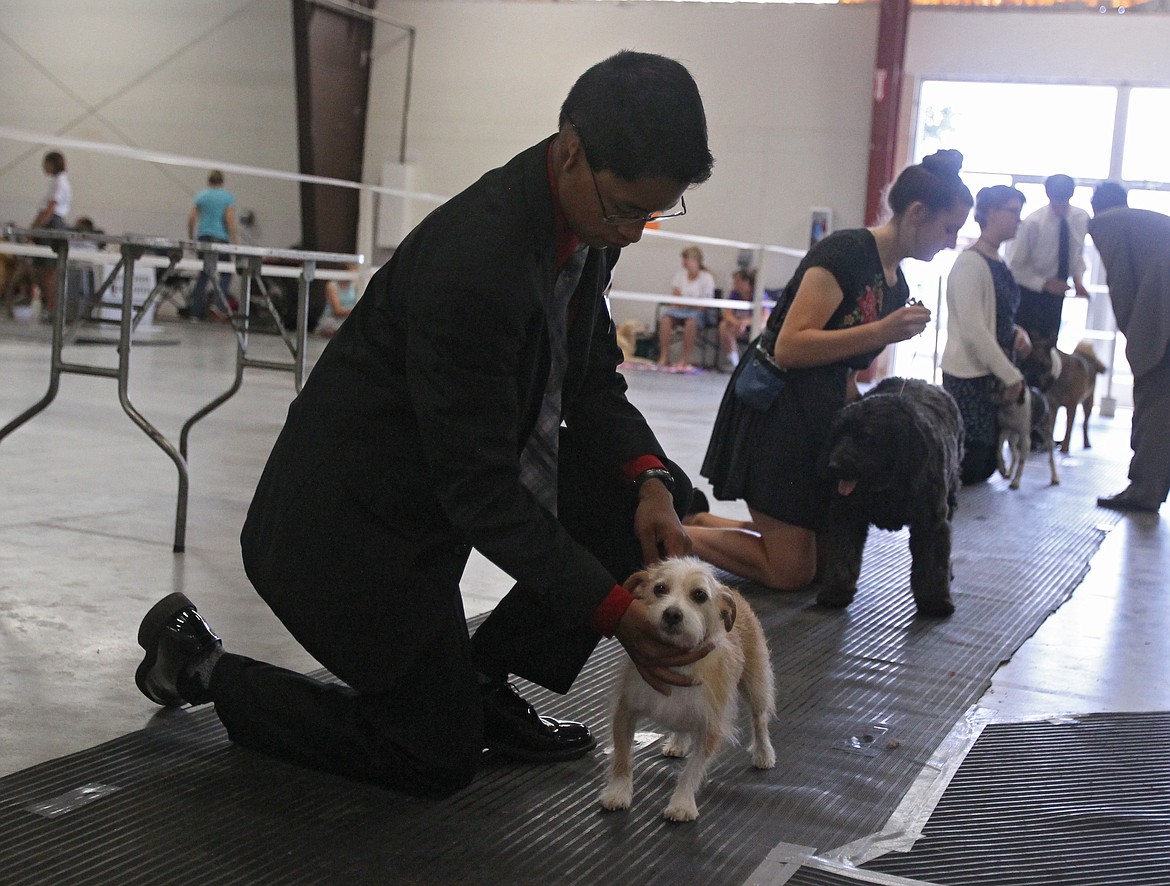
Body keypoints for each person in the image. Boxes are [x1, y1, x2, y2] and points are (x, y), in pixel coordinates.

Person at [134, 50, 715, 799]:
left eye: (655, 213)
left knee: (623, 504)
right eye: (627, 210)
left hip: (430, 496)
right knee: (434, 756)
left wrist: (651, 482)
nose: (636, 233)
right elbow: (479, 490)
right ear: (571, 152)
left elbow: (592, 379)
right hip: (346, 532)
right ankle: (201, 666)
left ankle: (478, 679)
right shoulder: (478, 263)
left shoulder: (582, 230)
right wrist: (612, 613)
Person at [687, 150, 973, 591]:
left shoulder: (897, 284)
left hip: (822, 421)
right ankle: (670, 535)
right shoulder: (845, 252)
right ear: (918, 213)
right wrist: (882, 330)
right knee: (792, 572)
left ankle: (696, 521)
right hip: (777, 415)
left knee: (820, 561)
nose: (951, 241)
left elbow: (848, 372)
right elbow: (790, 346)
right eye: (949, 228)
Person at [1087, 182, 1170, 514]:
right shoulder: (1145, 220)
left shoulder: (1107, 223)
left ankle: (1144, 490)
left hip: (1162, 321)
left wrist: (1135, 339)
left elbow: (1121, 286)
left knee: (1154, 404)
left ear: (1095, 207)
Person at [941, 185, 1033, 484]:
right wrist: (1012, 375)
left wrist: (1017, 331)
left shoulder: (997, 261)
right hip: (970, 378)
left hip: (990, 376)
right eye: (1014, 212)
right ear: (991, 213)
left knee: (984, 467)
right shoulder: (971, 263)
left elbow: (996, 317)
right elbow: (973, 330)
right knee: (972, 468)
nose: (1019, 220)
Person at [1009, 173, 1089, 347]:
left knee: (1050, 345)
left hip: (1059, 293)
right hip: (1030, 294)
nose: (1060, 206)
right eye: (1057, 201)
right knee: (1028, 348)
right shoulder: (1033, 223)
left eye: (1064, 200)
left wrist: (1078, 281)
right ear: (1048, 195)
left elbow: (1076, 253)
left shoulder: (1080, 218)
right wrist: (1045, 284)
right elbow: (1015, 268)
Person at [182, 170, 238, 321]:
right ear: (222, 182)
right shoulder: (227, 197)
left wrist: (192, 238)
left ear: (208, 181)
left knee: (204, 274)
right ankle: (217, 304)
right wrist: (234, 242)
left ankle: (195, 311)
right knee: (226, 273)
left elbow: (191, 219)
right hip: (220, 238)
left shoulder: (201, 196)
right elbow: (229, 220)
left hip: (203, 238)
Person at [657, 244, 715, 369]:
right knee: (666, 318)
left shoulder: (707, 278)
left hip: (697, 313)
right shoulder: (680, 275)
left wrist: (687, 304)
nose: (684, 262)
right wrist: (687, 304)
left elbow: (704, 303)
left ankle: (684, 359)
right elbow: (675, 297)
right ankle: (664, 356)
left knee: (691, 322)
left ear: (696, 261)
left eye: (687, 259)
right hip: (680, 310)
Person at [30, 151, 72, 320]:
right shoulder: (54, 182)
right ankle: (48, 304)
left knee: (49, 270)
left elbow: (51, 208)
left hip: (53, 224)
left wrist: (37, 228)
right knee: (40, 267)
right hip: (48, 223)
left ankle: (51, 307)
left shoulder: (61, 183)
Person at [717, 267, 758, 371]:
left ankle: (755, 363)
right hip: (738, 328)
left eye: (737, 281)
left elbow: (764, 316)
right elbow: (727, 314)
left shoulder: (758, 294)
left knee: (762, 327)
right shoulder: (734, 294)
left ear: (746, 282)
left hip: (754, 328)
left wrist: (745, 322)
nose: (734, 283)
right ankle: (735, 363)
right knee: (723, 326)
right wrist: (738, 323)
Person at [315, 262, 360, 337]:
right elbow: (337, 310)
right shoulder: (332, 285)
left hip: (349, 318)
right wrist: (355, 309)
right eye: (352, 271)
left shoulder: (355, 284)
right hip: (333, 318)